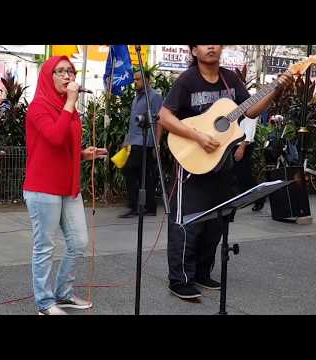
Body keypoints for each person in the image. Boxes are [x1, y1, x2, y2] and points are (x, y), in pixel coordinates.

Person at [157, 45, 293, 299]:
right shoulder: (187, 80)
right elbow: (164, 117)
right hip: (191, 162)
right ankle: (179, 279)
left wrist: (276, 89)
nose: (211, 46)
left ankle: (201, 272)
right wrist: (197, 136)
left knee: (216, 221)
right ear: (194, 51)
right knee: (186, 222)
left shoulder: (230, 79)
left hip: (221, 164)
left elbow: (250, 109)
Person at [22, 56, 107, 315]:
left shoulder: (68, 109)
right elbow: (55, 138)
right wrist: (70, 102)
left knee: (78, 242)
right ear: (48, 77)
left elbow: (63, 146)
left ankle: (63, 294)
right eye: (60, 71)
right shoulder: (38, 107)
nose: (67, 76)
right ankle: (45, 303)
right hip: (42, 187)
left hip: (68, 187)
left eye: (70, 71)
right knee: (45, 247)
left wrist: (83, 154)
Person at [119, 70, 163, 218]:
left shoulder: (155, 97)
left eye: (138, 79)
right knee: (145, 174)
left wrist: (157, 144)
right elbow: (133, 123)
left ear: (148, 80)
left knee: (129, 170)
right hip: (134, 140)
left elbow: (159, 121)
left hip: (146, 142)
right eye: (135, 79)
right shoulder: (136, 98)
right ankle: (149, 207)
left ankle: (135, 205)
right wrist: (126, 141)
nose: (135, 82)